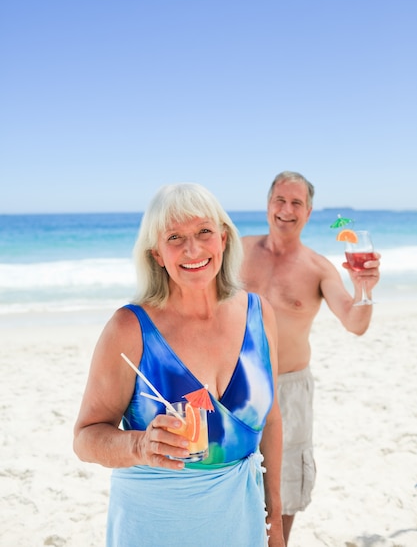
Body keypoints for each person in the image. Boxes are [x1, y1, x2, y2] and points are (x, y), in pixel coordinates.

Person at [73, 182, 285, 547]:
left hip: (240, 518)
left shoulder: (258, 312)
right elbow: (85, 438)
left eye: (204, 231)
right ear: (156, 253)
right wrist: (139, 445)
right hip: (155, 523)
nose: (193, 248)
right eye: (175, 237)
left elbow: (274, 419)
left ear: (223, 238)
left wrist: (274, 518)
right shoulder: (129, 329)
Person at [240, 171, 381, 546]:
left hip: (290, 389)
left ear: (309, 211)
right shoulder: (235, 250)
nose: (287, 210)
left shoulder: (319, 268)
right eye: (280, 201)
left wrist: (364, 289)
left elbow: (355, 322)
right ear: (268, 204)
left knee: (285, 483)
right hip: (234, 383)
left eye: (296, 203)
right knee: (230, 475)